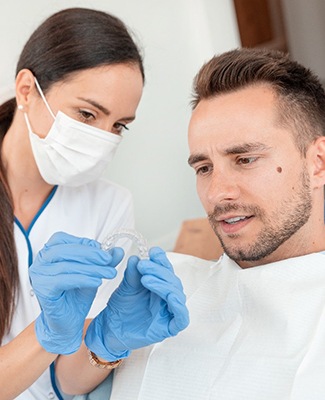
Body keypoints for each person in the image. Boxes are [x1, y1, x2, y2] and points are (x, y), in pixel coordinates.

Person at [105, 48, 325, 399]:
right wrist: (98, 345)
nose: (218, 193)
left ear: (318, 162)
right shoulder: (165, 290)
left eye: (246, 159)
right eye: (204, 168)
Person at [0, 7, 189, 400]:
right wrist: (46, 334)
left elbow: (67, 383)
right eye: (87, 114)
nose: (103, 138)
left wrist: (108, 339)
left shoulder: (109, 205)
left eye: (119, 125)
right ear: (26, 91)